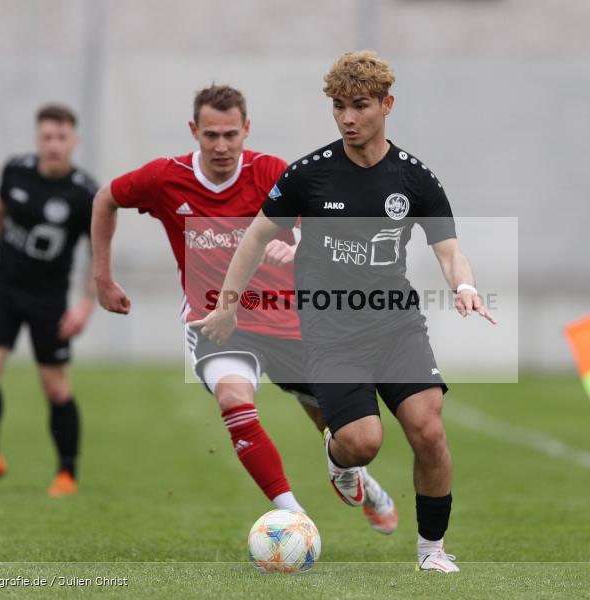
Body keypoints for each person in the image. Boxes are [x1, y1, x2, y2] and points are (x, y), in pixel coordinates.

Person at [196, 51, 496, 572]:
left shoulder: (414, 178)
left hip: (397, 323)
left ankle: (432, 552)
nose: (348, 118)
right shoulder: (310, 174)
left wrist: (465, 284)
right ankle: (341, 461)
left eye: (360, 106)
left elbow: (448, 249)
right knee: (363, 443)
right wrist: (226, 308)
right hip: (331, 331)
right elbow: (253, 240)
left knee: (428, 429)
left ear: (387, 104)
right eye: (339, 107)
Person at [91, 84, 397, 532]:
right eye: (211, 135)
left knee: (350, 436)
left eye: (230, 135)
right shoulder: (164, 178)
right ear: (194, 131)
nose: (221, 146)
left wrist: (302, 249)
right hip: (218, 323)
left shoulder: (272, 172)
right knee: (235, 398)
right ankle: (294, 517)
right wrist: (102, 277)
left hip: (292, 321)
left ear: (246, 130)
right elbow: (106, 198)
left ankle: (351, 472)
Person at [0, 104, 97, 497]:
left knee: (56, 389)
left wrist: (85, 305)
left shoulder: (85, 193)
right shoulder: (15, 170)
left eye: (61, 138)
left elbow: (96, 251)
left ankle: (66, 473)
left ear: (74, 141)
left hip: (48, 299)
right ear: (37, 139)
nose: (54, 145)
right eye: (47, 137)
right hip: (3, 288)